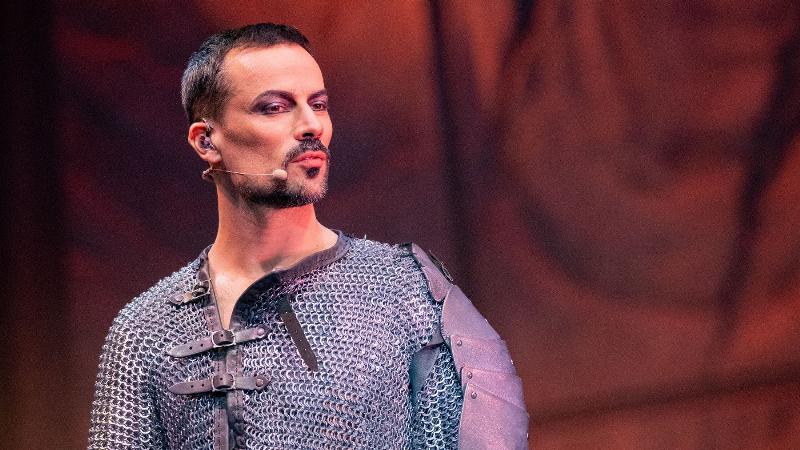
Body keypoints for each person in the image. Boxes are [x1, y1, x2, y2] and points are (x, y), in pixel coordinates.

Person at [88, 23, 528, 450]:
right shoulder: (144, 333)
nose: (310, 125)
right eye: (274, 107)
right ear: (207, 141)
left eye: (318, 104)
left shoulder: (406, 294)